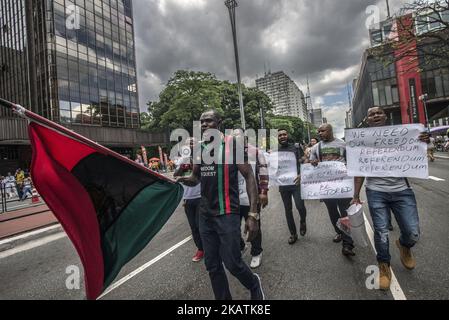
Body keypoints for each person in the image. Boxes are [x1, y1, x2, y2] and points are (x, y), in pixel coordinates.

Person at [177, 110, 264, 300]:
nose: (204, 124)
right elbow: (195, 178)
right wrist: (180, 180)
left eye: (209, 121)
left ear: (219, 122)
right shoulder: (200, 149)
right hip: (205, 214)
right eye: (201, 122)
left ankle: (253, 284)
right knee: (213, 265)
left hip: (227, 212)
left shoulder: (232, 144)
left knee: (233, 263)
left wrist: (253, 214)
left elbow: (249, 176)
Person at [351, 106, 429, 291]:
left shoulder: (404, 134)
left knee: (412, 232)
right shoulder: (362, 140)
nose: (375, 116)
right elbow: (358, 170)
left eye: (379, 113)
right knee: (381, 231)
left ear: (385, 117)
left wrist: (423, 141)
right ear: (367, 119)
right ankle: (384, 267)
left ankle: (404, 245)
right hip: (376, 191)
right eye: (371, 114)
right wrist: (355, 195)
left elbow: (419, 152)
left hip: (402, 190)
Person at [309, 124, 355, 257]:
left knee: (345, 213)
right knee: (332, 212)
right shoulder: (316, 147)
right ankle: (339, 232)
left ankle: (347, 244)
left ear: (330, 131)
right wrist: (313, 162)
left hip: (342, 185)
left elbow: (352, 161)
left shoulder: (343, 144)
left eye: (322, 131)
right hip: (327, 186)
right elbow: (311, 161)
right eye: (318, 131)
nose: (320, 133)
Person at [233, 128, 269, 269]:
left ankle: (256, 252)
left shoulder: (255, 151)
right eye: (233, 136)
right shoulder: (227, 153)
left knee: (254, 225)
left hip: (251, 198)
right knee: (232, 227)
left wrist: (263, 191)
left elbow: (264, 171)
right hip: (233, 199)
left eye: (238, 135)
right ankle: (241, 246)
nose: (235, 138)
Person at [174, 138, 204, 262]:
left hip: (202, 197)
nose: (191, 144)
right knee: (193, 227)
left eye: (193, 142)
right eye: (189, 143)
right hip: (188, 198)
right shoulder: (182, 160)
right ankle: (201, 249)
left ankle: (211, 247)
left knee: (201, 225)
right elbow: (176, 175)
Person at [277, 129, 307, 245]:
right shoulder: (275, 151)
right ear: (278, 138)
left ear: (287, 135)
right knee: (287, 210)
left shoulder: (296, 147)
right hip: (283, 185)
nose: (282, 136)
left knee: (300, 206)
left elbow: (304, 160)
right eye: (280, 135)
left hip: (296, 183)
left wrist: (301, 174)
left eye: (284, 134)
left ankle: (303, 220)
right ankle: (293, 234)